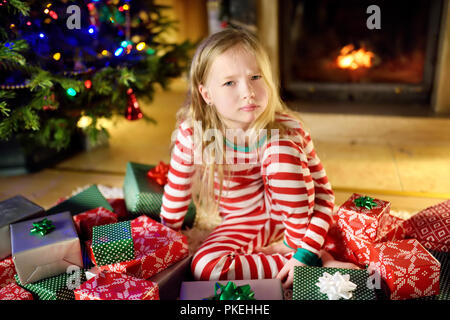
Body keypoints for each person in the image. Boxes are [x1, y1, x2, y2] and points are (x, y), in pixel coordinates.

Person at [160, 27, 358, 289]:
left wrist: (305, 251)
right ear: (206, 94)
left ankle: (302, 258)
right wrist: (164, 242)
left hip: (297, 226)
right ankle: (305, 265)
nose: (248, 91)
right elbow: (176, 194)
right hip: (243, 221)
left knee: (279, 149)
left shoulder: (289, 129)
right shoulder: (193, 134)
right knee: (203, 267)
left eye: (255, 77)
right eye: (230, 82)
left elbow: (324, 196)